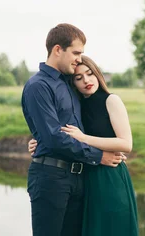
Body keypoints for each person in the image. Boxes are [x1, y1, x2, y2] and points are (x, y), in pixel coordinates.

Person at [22, 24, 125, 236]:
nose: (79, 59)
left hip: (79, 178)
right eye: (76, 53)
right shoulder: (38, 86)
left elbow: (79, 127)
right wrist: (98, 156)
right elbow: (53, 138)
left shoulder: (69, 84)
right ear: (58, 49)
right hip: (51, 177)